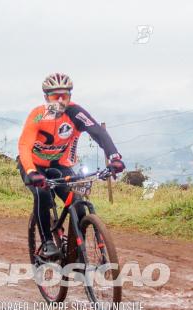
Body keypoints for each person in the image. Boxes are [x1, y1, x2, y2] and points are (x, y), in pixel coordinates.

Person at [17, 73, 125, 259]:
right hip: (34, 166)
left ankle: (75, 255)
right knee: (42, 195)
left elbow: (97, 132)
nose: (59, 100)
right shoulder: (38, 115)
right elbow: (25, 145)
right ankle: (47, 242)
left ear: (70, 97)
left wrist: (114, 157)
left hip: (60, 166)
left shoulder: (75, 113)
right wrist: (32, 172)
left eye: (64, 96)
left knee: (78, 204)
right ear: (46, 98)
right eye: (54, 96)